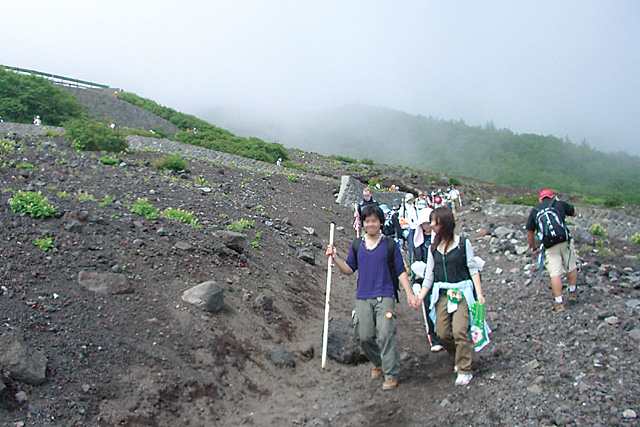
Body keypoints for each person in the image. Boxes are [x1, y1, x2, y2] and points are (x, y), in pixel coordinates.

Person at [327, 205, 419, 390]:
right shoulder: (357, 245)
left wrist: (410, 294)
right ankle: (379, 362)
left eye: (374, 221)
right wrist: (335, 258)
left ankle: (391, 374)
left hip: (385, 295)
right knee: (364, 337)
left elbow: (401, 271)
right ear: (363, 223)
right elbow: (349, 270)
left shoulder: (390, 245)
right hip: (363, 296)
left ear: (380, 222)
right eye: (367, 221)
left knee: (386, 334)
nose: (370, 224)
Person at [413, 207, 486, 386]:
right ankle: (458, 355)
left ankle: (464, 369)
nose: (431, 226)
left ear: (444, 224)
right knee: (443, 332)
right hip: (442, 293)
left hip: (462, 292)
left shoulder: (463, 244)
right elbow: (429, 274)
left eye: (435, 222)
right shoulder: (433, 247)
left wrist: (480, 294)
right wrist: (421, 297)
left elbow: (472, 269)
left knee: (459, 330)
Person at [525, 189, 578, 311]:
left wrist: (534, 248)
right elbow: (575, 213)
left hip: (549, 246)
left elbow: (529, 232)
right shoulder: (559, 204)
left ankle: (559, 303)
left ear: (540, 199)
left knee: (555, 273)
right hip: (565, 241)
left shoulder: (535, 211)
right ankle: (573, 291)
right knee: (570, 266)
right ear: (552, 196)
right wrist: (559, 203)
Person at [411, 208, 443, 352]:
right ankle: (434, 337)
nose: (426, 226)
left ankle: (445, 334)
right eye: (423, 223)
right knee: (429, 307)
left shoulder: (440, 239)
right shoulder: (417, 240)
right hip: (425, 279)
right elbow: (415, 260)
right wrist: (416, 281)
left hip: (441, 277)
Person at [399, 193, 418, 262]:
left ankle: (416, 257)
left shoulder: (414, 208)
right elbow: (401, 219)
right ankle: (411, 258)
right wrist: (406, 226)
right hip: (409, 228)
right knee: (410, 244)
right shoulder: (404, 208)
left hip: (416, 227)